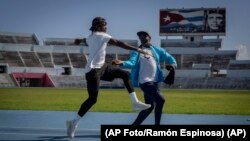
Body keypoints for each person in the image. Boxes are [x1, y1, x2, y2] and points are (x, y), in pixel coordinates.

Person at [66, 17, 151, 139]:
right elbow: (119, 43)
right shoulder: (102, 35)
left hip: (102, 67)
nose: (106, 27)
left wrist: (78, 40)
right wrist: (138, 49)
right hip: (93, 71)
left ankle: (135, 102)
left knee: (125, 74)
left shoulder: (91, 37)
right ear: (99, 26)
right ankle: (73, 122)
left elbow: (84, 40)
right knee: (92, 99)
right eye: (105, 25)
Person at [112, 31, 177, 125]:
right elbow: (132, 63)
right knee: (161, 100)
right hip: (145, 83)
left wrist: (172, 65)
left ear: (149, 37)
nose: (142, 37)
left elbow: (170, 58)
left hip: (154, 83)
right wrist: (122, 62)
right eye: (140, 36)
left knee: (149, 107)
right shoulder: (136, 51)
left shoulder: (157, 50)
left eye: (144, 35)